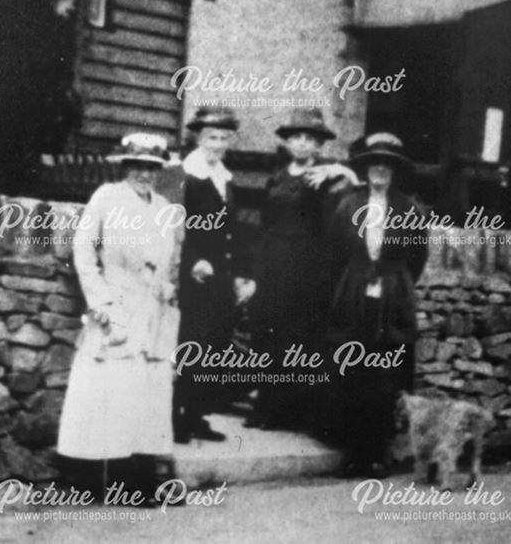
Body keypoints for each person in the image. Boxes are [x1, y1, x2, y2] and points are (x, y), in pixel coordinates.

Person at [57, 133, 180, 504]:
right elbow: (83, 252)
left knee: (147, 392)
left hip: (151, 310)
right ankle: (106, 479)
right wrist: (102, 303)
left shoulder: (163, 205)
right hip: (116, 305)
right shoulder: (107, 197)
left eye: (152, 168)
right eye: (138, 166)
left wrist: (166, 287)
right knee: (111, 392)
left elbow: (165, 259)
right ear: (125, 167)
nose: (145, 174)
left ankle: (142, 478)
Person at [245, 108, 357, 430]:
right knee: (266, 333)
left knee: (297, 339)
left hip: (306, 267)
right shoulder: (276, 178)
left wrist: (337, 169)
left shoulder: (325, 177)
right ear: (288, 142)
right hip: (273, 264)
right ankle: (264, 405)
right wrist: (254, 272)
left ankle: (287, 411)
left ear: (319, 145)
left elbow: (356, 185)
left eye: (310, 139)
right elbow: (264, 225)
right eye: (297, 137)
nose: (303, 144)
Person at [326, 132, 428, 478]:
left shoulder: (410, 209)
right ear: (366, 169)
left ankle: (376, 454)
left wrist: (392, 281)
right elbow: (336, 252)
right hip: (354, 297)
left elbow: (417, 258)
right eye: (374, 164)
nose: (380, 170)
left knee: (384, 379)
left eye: (387, 165)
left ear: (395, 171)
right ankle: (353, 454)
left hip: (392, 301)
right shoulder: (347, 204)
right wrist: (356, 278)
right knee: (352, 372)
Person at [173, 106, 256, 443]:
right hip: (192, 277)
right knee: (191, 346)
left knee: (213, 348)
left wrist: (240, 275)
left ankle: (197, 416)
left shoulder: (225, 178)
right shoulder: (181, 174)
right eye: (211, 137)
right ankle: (176, 419)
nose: (217, 144)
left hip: (220, 279)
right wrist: (191, 261)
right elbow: (171, 227)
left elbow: (232, 232)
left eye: (223, 138)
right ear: (197, 137)